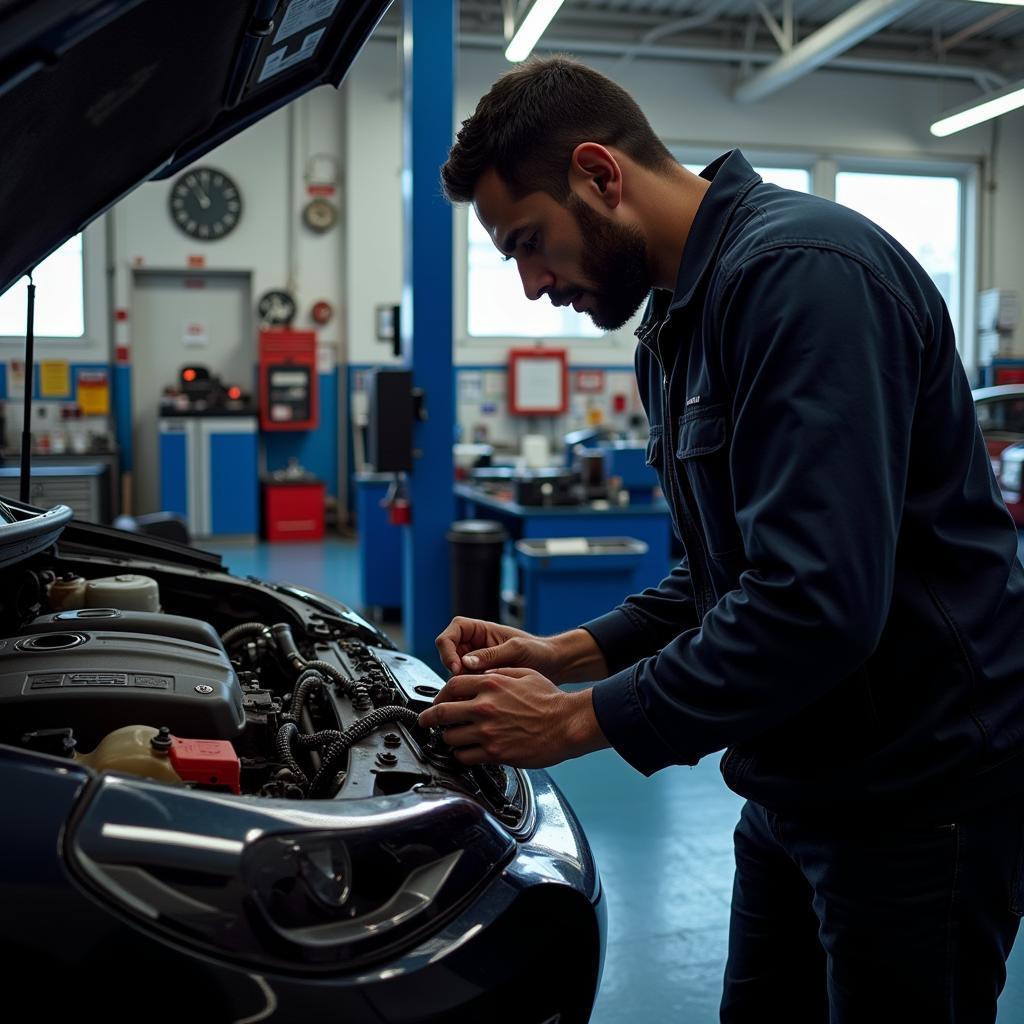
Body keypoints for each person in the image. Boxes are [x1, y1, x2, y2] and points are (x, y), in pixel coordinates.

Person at [418, 55, 1024, 1022]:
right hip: (795, 783)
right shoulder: (679, 323)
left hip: (917, 794)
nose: (532, 285)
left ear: (599, 175)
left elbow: (814, 605)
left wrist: (576, 720)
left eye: (529, 242)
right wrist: (567, 650)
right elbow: (726, 572)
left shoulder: (802, 278)